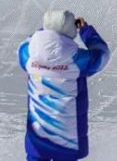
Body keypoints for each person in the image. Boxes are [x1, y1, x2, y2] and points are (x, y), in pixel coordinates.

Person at [18, 10, 110, 161]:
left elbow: (26, 44)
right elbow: (102, 55)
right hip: (68, 135)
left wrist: (47, 29)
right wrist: (86, 31)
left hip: (38, 134)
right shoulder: (76, 59)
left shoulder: (28, 54)